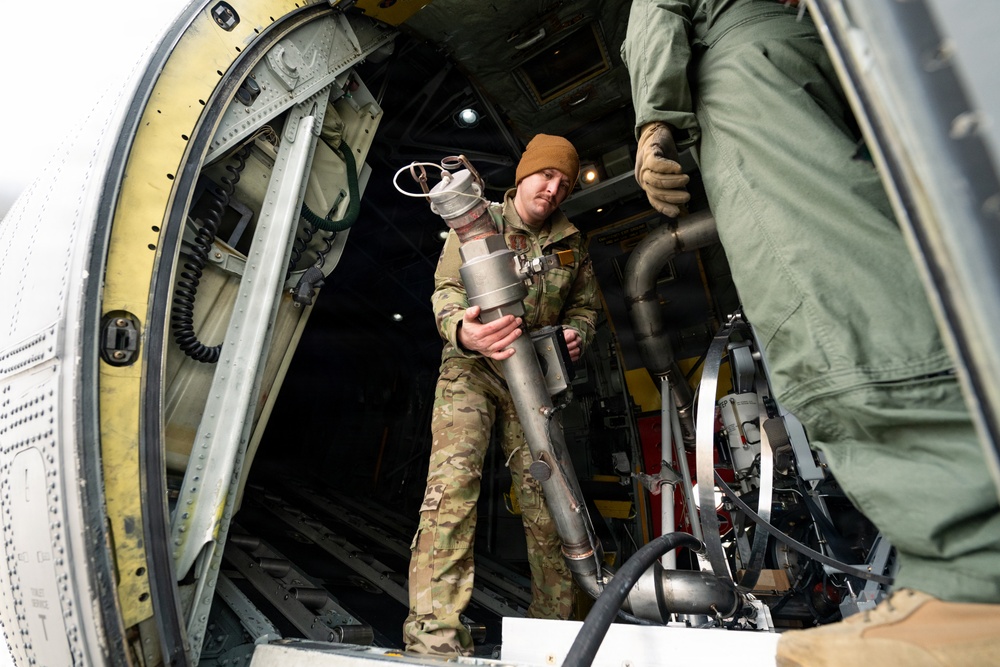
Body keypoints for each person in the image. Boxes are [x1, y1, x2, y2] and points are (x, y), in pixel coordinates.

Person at [621, 1, 1000, 665]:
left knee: (823, 291)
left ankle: (973, 572)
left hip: (747, 66)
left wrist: (655, 115)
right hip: (828, 44)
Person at [402, 134, 599, 656]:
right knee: (452, 491)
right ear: (523, 175)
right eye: (545, 175)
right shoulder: (474, 219)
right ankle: (435, 639)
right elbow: (445, 291)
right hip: (473, 368)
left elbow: (586, 307)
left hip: (533, 378)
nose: (552, 189)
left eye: (563, 183)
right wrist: (462, 331)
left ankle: (552, 635)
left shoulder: (572, 242)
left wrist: (579, 333)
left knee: (550, 503)